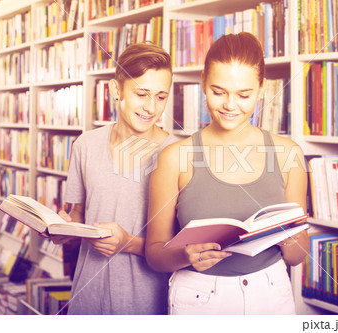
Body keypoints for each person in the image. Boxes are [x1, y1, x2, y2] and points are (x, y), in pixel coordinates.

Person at [145, 32, 310, 315]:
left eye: (243, 95)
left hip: (271, 292)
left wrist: (286, 237)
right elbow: (154, 255)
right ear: (203, 84)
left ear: (261, 89)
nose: (230, 106)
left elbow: (298, 255)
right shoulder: (174, 158)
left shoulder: (288, 153)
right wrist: (185, 256)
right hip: (199, 295)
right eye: (218, 92)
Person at [55, 42, 177, 315]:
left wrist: (129, 243)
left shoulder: (177, 154)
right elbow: (78, 214)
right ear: (116, 90)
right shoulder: (85, 145)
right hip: (87, 298)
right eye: (141, 94)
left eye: (160, 97)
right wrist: (61, 228)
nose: (150, 107)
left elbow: (184, 248)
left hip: (146, 304)